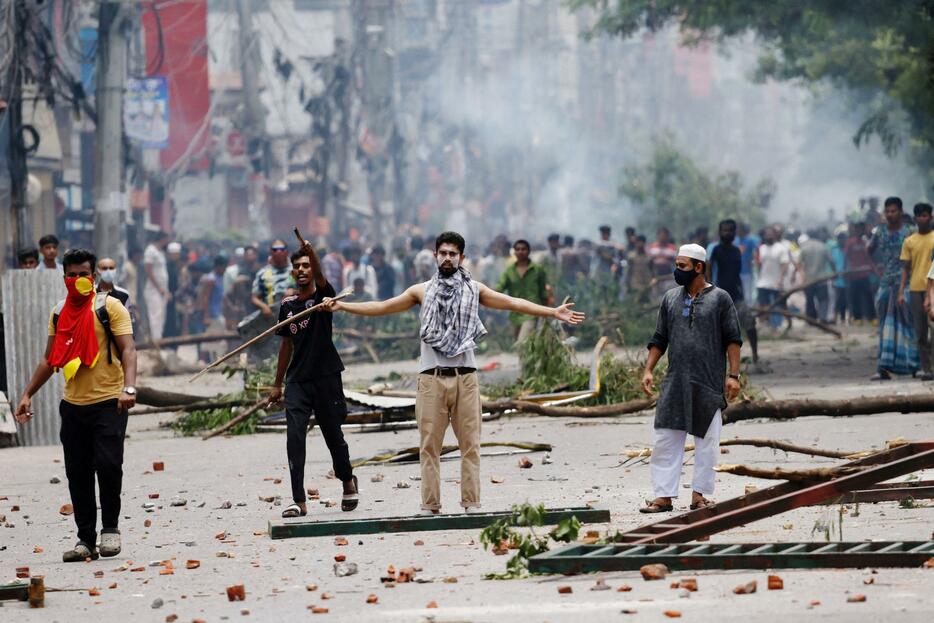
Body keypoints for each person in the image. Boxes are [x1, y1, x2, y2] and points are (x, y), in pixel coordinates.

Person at [324, 231, 584, 514]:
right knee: (429, 447)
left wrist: (552, 312)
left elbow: (512, 302)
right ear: (436, 255)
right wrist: (342, 306)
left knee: (470, 445)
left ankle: (471, 504)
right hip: (431, 378)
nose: (448, 258)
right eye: (443, 253)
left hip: (466, 378)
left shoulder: (475, 290)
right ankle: (430, 505)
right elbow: (383, 307)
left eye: (453, 253)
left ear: (461, 258)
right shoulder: (420, 291)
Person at [14, 248, 137, 561]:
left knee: (109, 466)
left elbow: (129, 351)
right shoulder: (59, 312)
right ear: (64, 277)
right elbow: (49, 359)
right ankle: (85, 539)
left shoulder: (110, 307)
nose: (78, 279)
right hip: (73, 405)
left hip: (110, 401)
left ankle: (110, 529)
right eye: (72, 274)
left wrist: (129, 388)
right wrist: (28, 393)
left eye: (84, 274)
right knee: (78, 473)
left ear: (93, 276)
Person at [640, 244, 742, 513]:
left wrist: (734, 375)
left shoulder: (721, 299)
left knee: (707, 444)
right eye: (676, 265)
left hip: (707, 383)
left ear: (699, 267)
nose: (677, 270)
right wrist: (648, 369)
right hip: (675, 383)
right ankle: (663, 497)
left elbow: (733, 339)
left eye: (682, 266)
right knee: (664, 439)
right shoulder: (670, 299)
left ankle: (699, 496)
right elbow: (659, 338)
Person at [267, 244, 358, 518]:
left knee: (333, 436)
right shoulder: (287, 306)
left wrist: (312, 252)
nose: (302, 270)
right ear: (292, 272)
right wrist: (277, 383)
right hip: (298, 381)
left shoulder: (324, 298)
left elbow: (320, 277)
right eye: (298, 267)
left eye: (307, 265)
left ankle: (347, 480)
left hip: (326, 377)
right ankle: (299, 500)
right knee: (294, 437)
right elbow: (286, 346)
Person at [868, 197, 917, 379]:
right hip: (887, 283)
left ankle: (913, 364)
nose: (890, 214)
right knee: (885, 325)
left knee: (908, 323)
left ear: (901, 212)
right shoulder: (879, 232)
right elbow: (869, 250)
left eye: (893, 211)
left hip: (909, 282)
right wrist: (877, 270)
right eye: (887, 211)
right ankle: (884, 366)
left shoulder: (910, 231)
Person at [708, 220, 758, 365]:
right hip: (720, 295)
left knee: (749, 322)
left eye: (730, 230)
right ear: (719, 232)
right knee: (717, 328)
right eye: (724, 230)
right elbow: (709, 267)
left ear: (734, 232)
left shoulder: (736, 251)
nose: (727, 233)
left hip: (736, 295)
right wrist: (709, 287)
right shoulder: (716, 250)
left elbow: (737, 274)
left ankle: (755, 355)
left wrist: (742, 292)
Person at [900, 203, 934, 380]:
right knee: (920, 332)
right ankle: (927, 368)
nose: (922, 219)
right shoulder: (909, 241)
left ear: (931, 217)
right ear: (915, 219)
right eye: (919, 216)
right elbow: (905, 268)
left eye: (925, 215)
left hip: (933, 290)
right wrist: (900, 292)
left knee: (933, 329)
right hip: (915, 289)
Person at [496, 239, 549, 342]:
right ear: (514, 251)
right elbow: (501, 286)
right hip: (515, 311)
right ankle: (527, 359)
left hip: (532, 310)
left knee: (522, 341)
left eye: (523, 249)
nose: (520, 251)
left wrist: (546, 311)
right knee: (519, 342)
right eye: (518, 249)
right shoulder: (509, 270)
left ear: (529, 251)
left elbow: (543, 291)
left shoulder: (538, 269)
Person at [251, 239, 296, 318]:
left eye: (281, 249)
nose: (278, 252)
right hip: (271, 316)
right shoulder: (263, 273)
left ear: (287, 251)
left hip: (294, 313)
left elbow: (310, 290)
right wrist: (264, 307)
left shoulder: (296, 269)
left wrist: (295, 292)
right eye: (275, 249)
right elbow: (254, 297)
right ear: (270, 252)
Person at [197, 255, 229, 363]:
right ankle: (202, 359)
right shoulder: (211, 279)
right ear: (218, 266)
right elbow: (206, 298)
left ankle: (215, 360)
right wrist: (206, 316)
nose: (225, 269)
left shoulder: (220, 278)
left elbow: (221, 295)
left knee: (217, 337)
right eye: (224, 267)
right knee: (209, 337)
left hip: (217, 312)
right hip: (212, 313)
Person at [798, 229, 835, 321]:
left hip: (808, 279)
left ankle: (811, 319)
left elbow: (799, 264)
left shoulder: (804, 247)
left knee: (809, 300)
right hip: (822, 279)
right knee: (823, 300)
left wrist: (801, 275)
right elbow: (831, 261)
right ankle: (823, 318)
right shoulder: (823, 247)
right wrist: (835, 272)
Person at [844, 223, 876, 324]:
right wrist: (845, 270)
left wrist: (873, 268)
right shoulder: (850, 242)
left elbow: (869, 257)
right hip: (853, 275)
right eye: (857, 229)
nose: (859, 231)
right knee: (855, 297)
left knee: (868, 296)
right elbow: (846, 257)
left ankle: (872, 317)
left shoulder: (866, 242)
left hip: (864, 274)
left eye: (861, 229)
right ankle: (857, 318)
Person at [143, 231, 171, 341]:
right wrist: (159, 288)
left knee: (161, 316)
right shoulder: (150, 251)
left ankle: (159, 339)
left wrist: (164, 290)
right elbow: (148, 271)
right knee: (155, 315)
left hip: (162, 289)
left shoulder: (161, 252)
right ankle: (156, 340)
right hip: (153, 289)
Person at [625, 235, 654, 302]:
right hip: (634, 285)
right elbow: (628, 272)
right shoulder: (631, 256)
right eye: (639, 242)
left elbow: (652, 272)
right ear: (636, 243)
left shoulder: (648, 257)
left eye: (642, 242)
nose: (640, 244)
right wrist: (627, 285)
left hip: (646, 285)